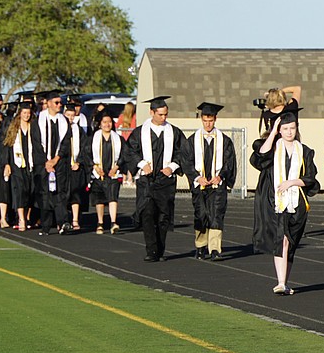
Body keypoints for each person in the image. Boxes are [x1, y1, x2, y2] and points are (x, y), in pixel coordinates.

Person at [250, 110, 319, 294]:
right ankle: (280, 282)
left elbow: (311, 179)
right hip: (275, 202)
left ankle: (284, 282)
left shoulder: (305, 151)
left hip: (296, 203)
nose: (289, 132)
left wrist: (292, 182)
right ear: (279, 130)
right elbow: (259, 159)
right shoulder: (271, 148)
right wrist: (272, 133)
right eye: (285, 128)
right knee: (283, 239)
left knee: (291, 243)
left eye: (292, 128)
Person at [125, 96, 190, 262]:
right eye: (160, 114)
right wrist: (141, 164)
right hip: (146, 180)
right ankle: (151, 250)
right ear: (151, 112)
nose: (164, 118)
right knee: (147, 214)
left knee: (163, 216)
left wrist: (172, 167)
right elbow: (130, 152)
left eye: (166, 114)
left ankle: (160, 249)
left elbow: (182, 153)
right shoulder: (140, 132)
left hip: (165, 180)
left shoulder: (174, 132)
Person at [185, 102, 237, 261]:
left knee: (216, 215)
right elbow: (186, 161)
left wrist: (221, 176)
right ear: (201, 119)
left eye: (211, 120)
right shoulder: (192, 140)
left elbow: (229, 162)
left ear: (215, 119)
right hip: (200, 185)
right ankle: (201, 246)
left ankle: (215, 249)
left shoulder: (224, 140)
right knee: (201, 215)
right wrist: (196, 176)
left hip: (217, 186)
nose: (208, 124)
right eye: (205, 120)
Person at [31, 91, 71, 235]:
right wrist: (46, 162)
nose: (59, 105)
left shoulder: (64, 121)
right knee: (44, 194)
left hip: (59, 163)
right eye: (56, 102)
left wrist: (56, 159)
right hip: (43, 164)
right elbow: (36, 144)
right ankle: (46, 226)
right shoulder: (38, 121)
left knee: (60, 193)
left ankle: (63, 223)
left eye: (60, 103)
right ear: (48, 103)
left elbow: (66, 142)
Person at [88, 111, 124, 235]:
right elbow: (87, 154)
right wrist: (95, 167)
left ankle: (113, 222)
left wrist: (117, 166)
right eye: (104, 122)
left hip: (113, 172)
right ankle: (100, 223)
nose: (107, 125)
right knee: (99, 199)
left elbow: (124, 155)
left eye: (109, 122)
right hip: (99, 173)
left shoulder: (118, 139)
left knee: (113, 196)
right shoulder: (93, 138)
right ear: (99, 124)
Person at [3, 101, 36, 231]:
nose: (26, 115)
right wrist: (7, 163)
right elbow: (7, 146)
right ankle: (21, 219)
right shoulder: (13, 128)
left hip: (31, 164)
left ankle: (27, 217)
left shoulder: (34, 127)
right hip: (17, 165)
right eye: (24, 113)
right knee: (20, 191)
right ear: (19, 114)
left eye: (28, 113)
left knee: (30, 191)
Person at [59, 98, 91, 232]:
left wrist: (79, 162)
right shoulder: (59, 129)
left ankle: (75, 219)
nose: (70, 118)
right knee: (62, 194)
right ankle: (63, 220)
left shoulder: (79, 131)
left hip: (76, 167)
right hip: (63, 167)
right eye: (68, 115)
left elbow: (85, 149)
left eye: (72, 116)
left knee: (76, 194)